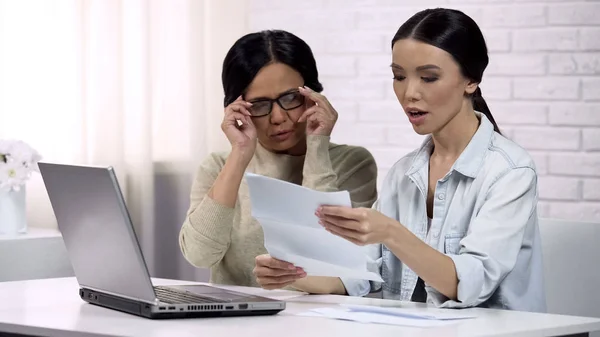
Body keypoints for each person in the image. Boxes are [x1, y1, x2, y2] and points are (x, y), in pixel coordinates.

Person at [253, 8, 547, 312]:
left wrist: (390, 233)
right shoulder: (404, 173)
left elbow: (469, 284)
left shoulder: (511, 172)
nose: (409, 93)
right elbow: (363, 276)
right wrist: (294, 274)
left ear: (470, 80)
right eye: (399, 76)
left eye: (429, 77)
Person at [179, 30, 378, 293]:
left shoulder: (353, 163)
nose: (277, 117)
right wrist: (240, 154)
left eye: (290, 98)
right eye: (259, 104)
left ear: (312, 95)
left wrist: (317, 146)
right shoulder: (218, 166)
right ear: (238, 108)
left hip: (316, 321)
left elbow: (332, 258)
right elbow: (199, 255)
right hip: (232, 322)